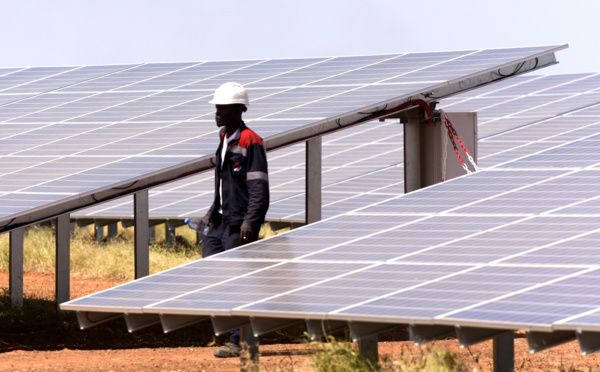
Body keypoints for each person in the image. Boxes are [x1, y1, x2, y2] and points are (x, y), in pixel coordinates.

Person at [201, 82, 270, 358]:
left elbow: (259, 189)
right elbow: (223, 183)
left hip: (238, 223)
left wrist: (250, 223)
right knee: (215, 273)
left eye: (223, 108)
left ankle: (239, 341)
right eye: (217, 108)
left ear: (239, 110)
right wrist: (211, 210)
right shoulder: (223, 138)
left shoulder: (250, 140)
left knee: (239, 280)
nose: (217, 113)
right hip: (220, 221)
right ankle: (232, 332)